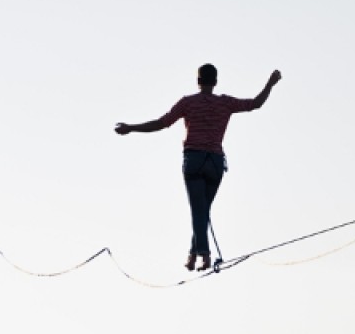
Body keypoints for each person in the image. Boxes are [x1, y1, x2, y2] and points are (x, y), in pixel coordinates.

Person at [115, 64, 281, 270]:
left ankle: (204, 254)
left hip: (194, 161)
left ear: (198, 81)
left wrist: (131, 128)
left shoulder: (188, 103)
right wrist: (270, 84)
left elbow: (161, 123)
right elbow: (255, 103)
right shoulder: (225, 103)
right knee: (202, 211)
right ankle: (193, 255)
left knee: (198, 212)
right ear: (216, 81)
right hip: (215, 163)